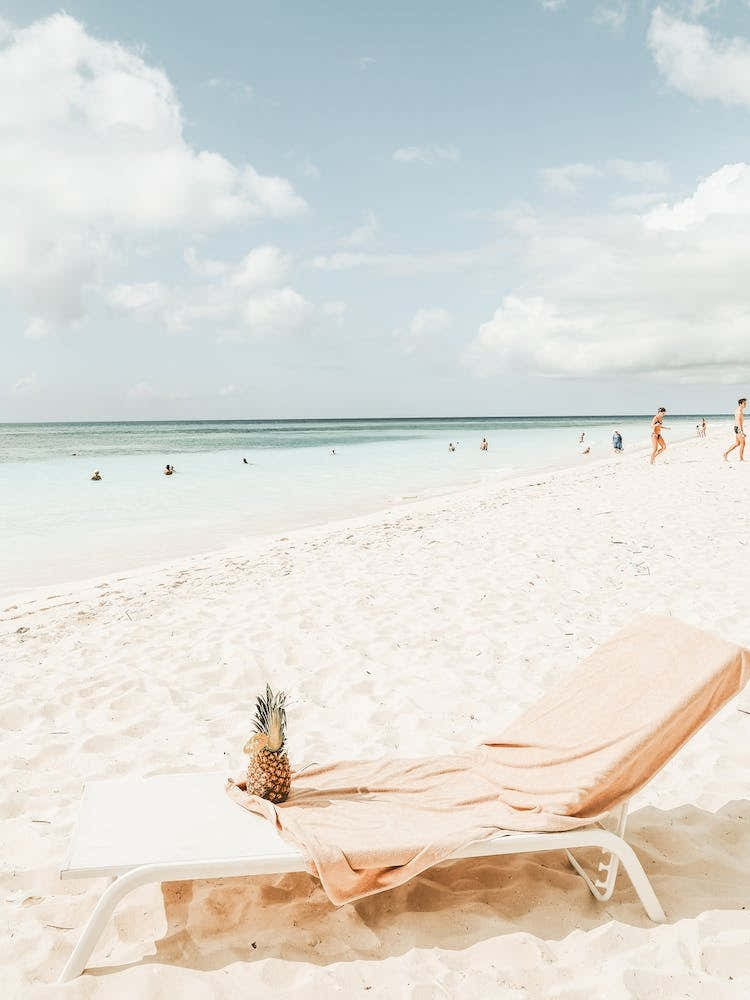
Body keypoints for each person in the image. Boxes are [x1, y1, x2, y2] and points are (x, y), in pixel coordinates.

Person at [723, 398, 746, 462]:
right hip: (738, 428)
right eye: (744, 403)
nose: (745, 405)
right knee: (743, 443)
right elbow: (738, 422)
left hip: (736, 428)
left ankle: (725, 453)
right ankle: (741, 459)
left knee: (737, 443)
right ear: (740, 404)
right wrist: (741, 432)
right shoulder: (739, 411)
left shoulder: (738, 410)